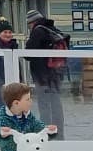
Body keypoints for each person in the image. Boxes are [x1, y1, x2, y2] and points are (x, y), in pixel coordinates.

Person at [25, 9, 69, 139]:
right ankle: (59, 134)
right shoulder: (53, 29)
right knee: (56, 104)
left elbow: (28, 53)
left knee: (44, 106)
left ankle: (46, 135)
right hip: (56, 73)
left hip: (42, 75)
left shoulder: (38, 31)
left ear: (31, 22)